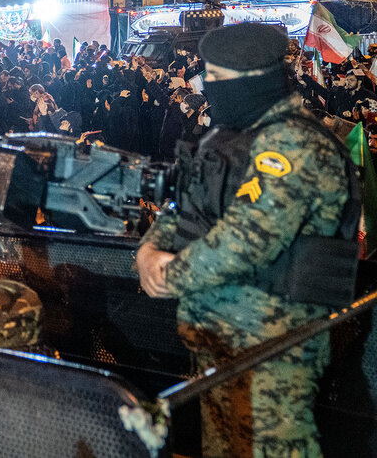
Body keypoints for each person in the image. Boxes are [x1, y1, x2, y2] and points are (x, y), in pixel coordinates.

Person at [135, 23, 360, 457]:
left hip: (273, 347)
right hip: (218, 337)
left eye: (217, 78)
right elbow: (186, 204)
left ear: (255, 81)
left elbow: (248, 239)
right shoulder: (225, 138)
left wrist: (167, 275)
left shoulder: (296, 144)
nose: (208, 87)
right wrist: (148, 251)